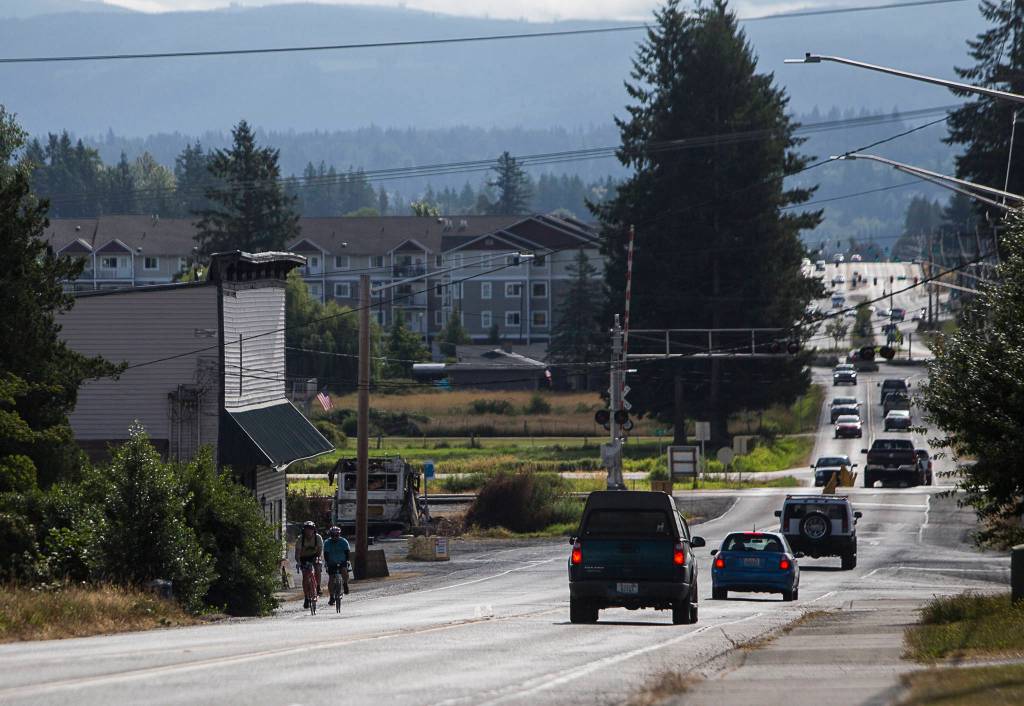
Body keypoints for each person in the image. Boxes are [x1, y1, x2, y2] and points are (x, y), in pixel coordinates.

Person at [294, 520, 324, 609]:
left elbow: (319, 551)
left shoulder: (318, 538)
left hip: (314, 556)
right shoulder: (300, 539)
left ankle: (318, 587)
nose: (309, 531)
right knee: (305, 576)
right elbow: (297, 553)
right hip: (303, 557)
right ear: (304, 530)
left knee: (318, 568)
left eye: (311, 529)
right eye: (307, 529)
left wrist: (318, 559)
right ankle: (306, 597)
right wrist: (298, 562)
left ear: (314, 530)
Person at [323, 526, 351, 605]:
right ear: (330, 535)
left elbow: (347, 552)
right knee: (331, 578)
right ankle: (332, 596)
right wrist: (327, 563)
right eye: (333, 535)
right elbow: (326, 554)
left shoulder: (344, 541)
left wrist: (347, 560)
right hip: (332, 562)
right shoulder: (327, 542)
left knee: (344, 571)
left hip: (342, 561)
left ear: (339, 534)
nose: (335, 537)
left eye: (337, 535)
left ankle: (345, 583)